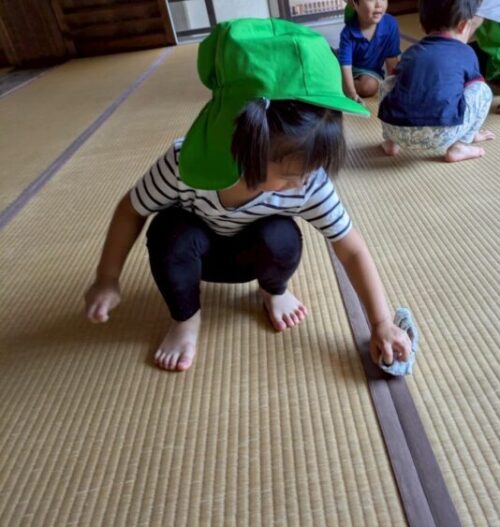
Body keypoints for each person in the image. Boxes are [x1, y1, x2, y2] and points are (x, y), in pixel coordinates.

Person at [84, 18, 411, 372]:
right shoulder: (185, 164)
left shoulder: (307, 180)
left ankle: (273, 291)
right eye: (289, 177)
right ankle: (186, 318)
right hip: (196, 259)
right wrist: (107, 278)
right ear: (244, 147)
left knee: (282, 235)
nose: (301, 184)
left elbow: (351, 247)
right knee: (168, 233)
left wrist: (381, 322)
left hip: (255, 259)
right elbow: (131, 209)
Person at [378, 0, 495, 162]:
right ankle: (460, 145)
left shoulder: (411, 52)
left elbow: (397, 81)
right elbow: (471, 88)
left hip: (398, 130)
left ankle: (390, 142)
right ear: (463, 26)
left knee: (388, 82)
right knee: (482, 89)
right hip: (444, 134)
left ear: (422, 25)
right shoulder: (466, 52)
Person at [338, 0, 400, 101]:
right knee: (368, 86)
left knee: (370, 85)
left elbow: (392, 59)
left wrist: (394, 89)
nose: (379, 4)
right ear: (354, 4)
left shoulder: (390, 24)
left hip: (371, 72)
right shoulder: (348, 33)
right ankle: (341, 83)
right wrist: (352, 94)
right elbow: (346, 66)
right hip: (348, 68)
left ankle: (342, 82)